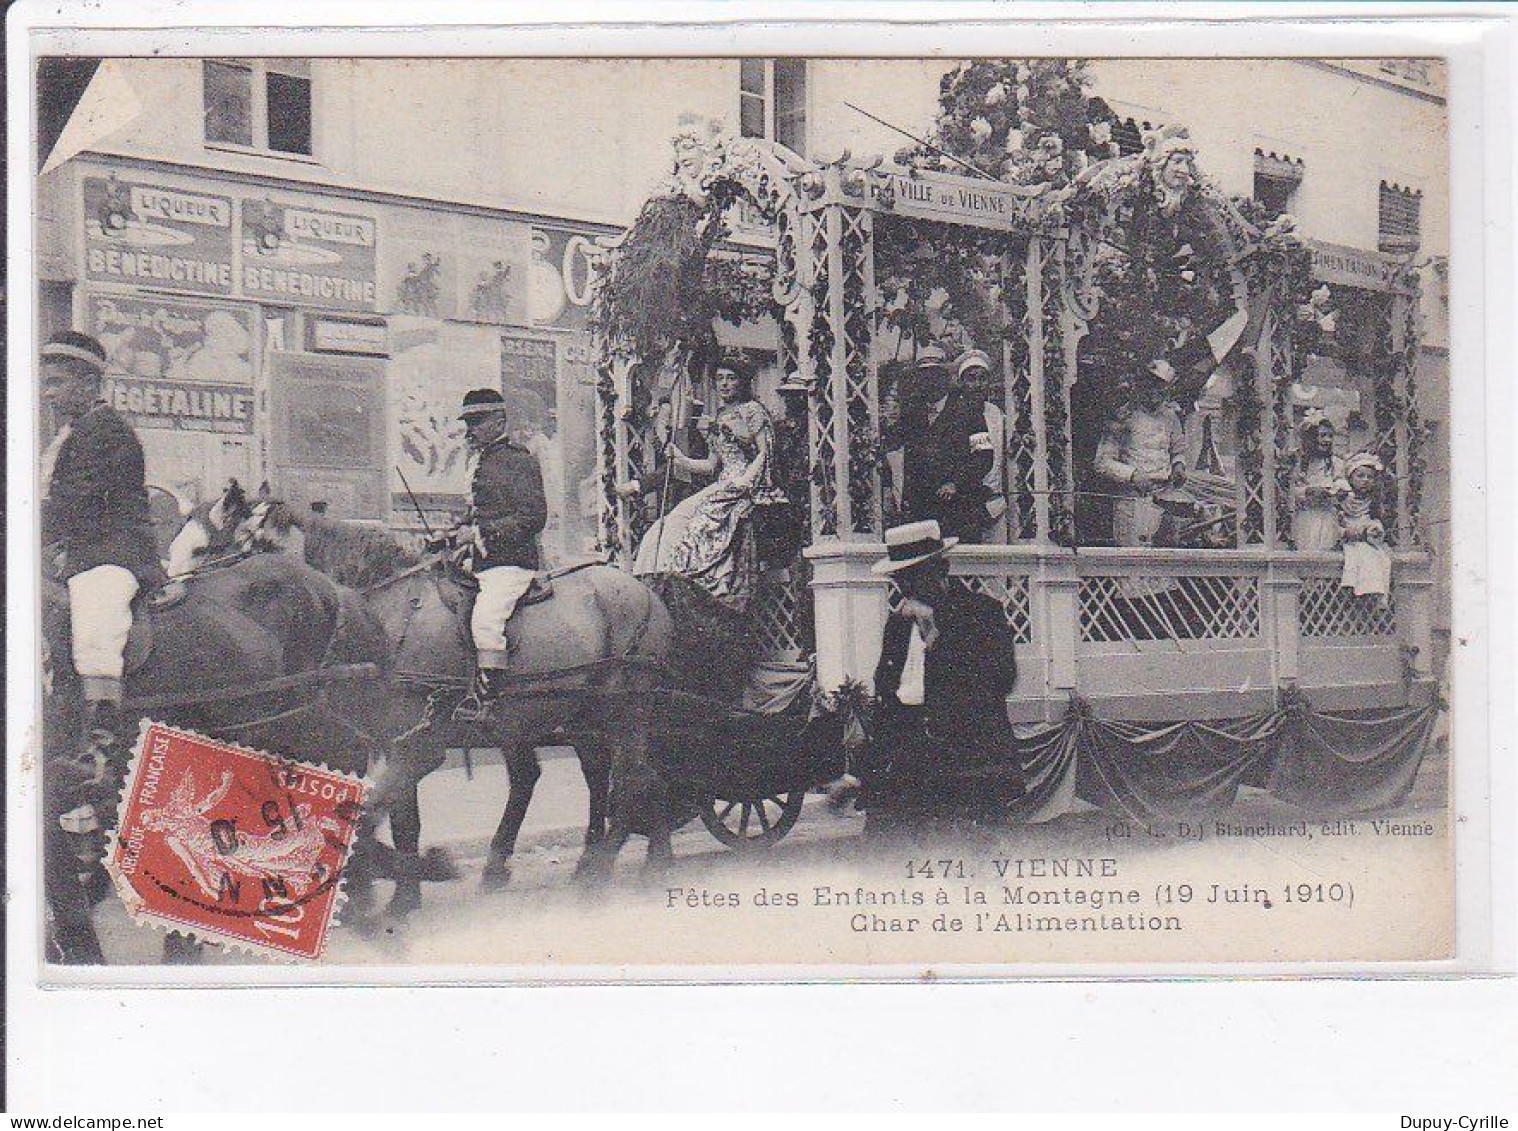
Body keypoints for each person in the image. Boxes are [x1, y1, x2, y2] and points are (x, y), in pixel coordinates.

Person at [40, 330, 165, 747]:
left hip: (114, 553)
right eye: (45, 383)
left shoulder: (106, 432)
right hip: (82, 552)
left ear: (90, 384)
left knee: (96, 624)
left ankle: (101, 735)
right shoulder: (72, 435)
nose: (48, 394)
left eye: (56, 382)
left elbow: (75, 502)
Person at [867, 520, 1022, 825]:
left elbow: (1001, 679)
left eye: (915, 577)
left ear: (943, 569)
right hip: (908, 761)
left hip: (968, 762)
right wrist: (861, 772)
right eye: (900, 580)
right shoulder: (897, 624)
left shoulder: (981, 614)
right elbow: (887, 698)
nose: (907, 589)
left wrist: (935, 636)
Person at [661, 358, 778, 612]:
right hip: (724, 482)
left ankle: (720, 586)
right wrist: (680, 459)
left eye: (731, 378)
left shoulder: (752, 410)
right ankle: (694, 584)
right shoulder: (719, 416)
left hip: (748, 484)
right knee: (685, 521)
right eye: (720, 379)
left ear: (742, 381)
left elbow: (764, 452)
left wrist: (745, 481)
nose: (724, 384)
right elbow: (712, 465)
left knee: (711, 519)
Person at [455, 388, 548, 693]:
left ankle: (488, 697)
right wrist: (454, 531)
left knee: (486, 620)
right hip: (480, 561)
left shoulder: (518, 461)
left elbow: (533, 518)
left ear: (498, 421)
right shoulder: (479, 462)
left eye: (477, 421)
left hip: (510, 563)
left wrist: (480, 533)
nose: (470, 429)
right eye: (468, 422)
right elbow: (477, 513)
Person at [899, 343, 994, 542]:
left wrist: (955, 483)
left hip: (960, 510)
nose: (929, 382)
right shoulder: (913, 416)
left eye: (935, 375)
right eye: (924, 377)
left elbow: (984, 457)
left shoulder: (969, 412)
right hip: (923, 513)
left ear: (945, 379)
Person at [1093, 359, 1189, 547]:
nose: (1156, 392)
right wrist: (1133, 475)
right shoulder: (1123, 416)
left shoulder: (1171, 417)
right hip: (1131, 502)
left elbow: (1178, 448)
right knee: (1133, 565)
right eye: (1152, 385)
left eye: (1162, 388)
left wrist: (1179, 465)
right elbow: (1102, 462)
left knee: (1164, 566)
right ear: (1142, 385)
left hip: (1164, 499)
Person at [1290, 409, 1346, 552]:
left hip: (1327, 517)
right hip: (1306, 517)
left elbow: (1340, 481)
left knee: (1327, 549)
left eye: (1330, 436)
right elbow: (1292, 489)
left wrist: (1338, 491)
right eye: (1322, 435)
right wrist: (1308, 491)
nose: (1327, 440)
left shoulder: (1335, 463)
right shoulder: (1300, 464)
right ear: (1310, 438)